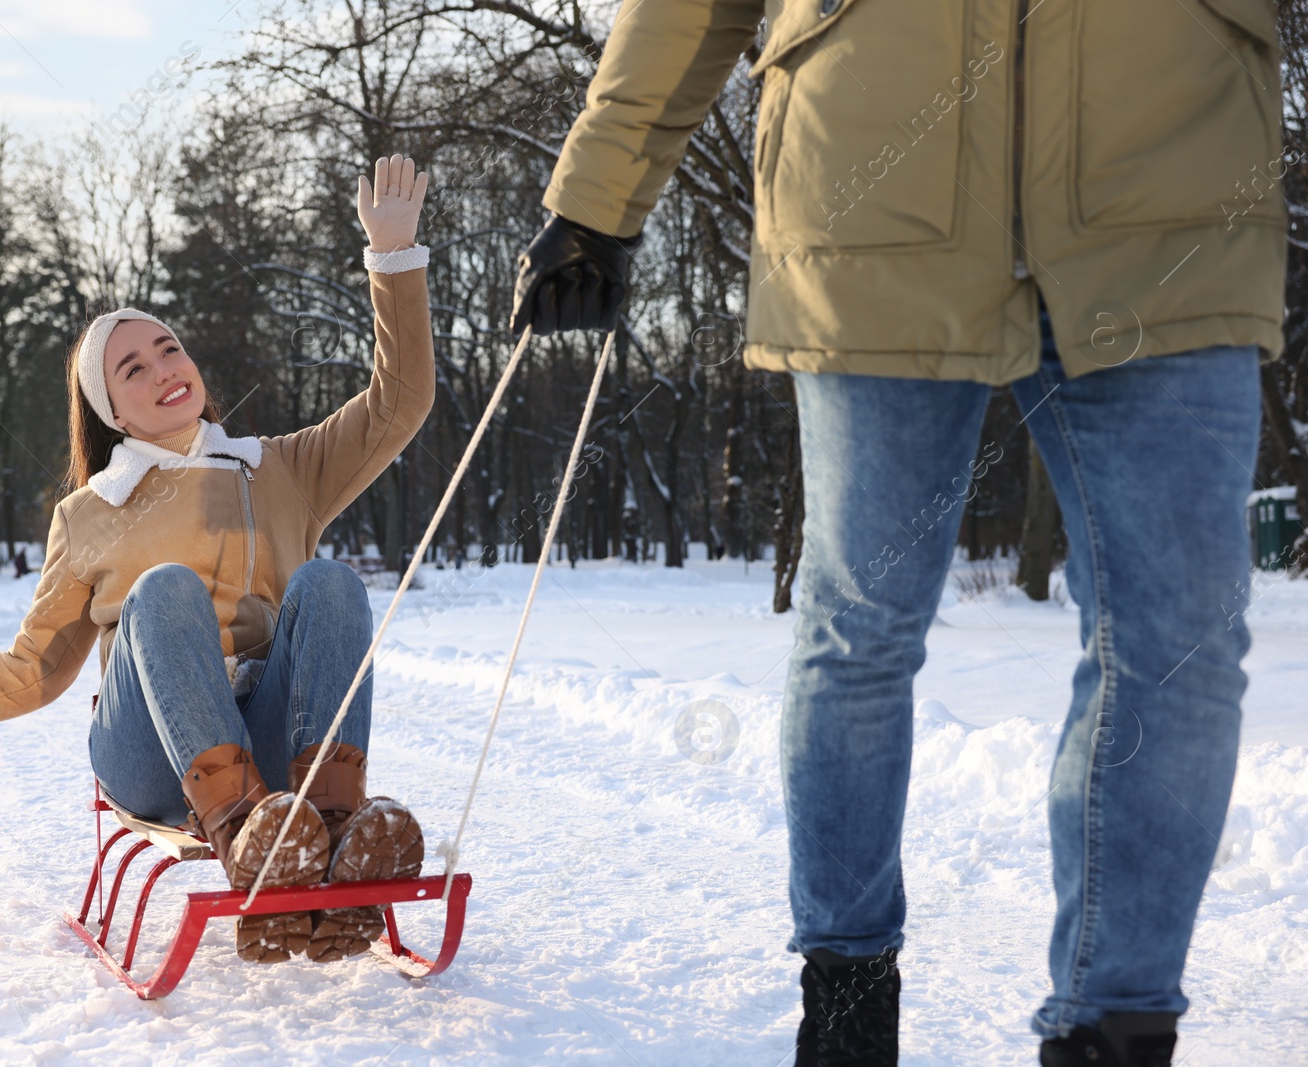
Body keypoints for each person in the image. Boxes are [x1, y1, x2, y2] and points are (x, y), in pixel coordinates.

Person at [511, 4, 1285, 1065]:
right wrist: (597, 198)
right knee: (858, 626)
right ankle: (844, 1011)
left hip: (1174, 187)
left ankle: (1116, 1028)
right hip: (873, 185)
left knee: (1181, 643)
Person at [0, 153, 437, 966]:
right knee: (165, 590)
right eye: (131, 369)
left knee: (332, 582)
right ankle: (251, 841)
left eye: (168, 349)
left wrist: (392, 259)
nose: (162, 370)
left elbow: (400, 401)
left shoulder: (281, 467)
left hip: (278, 753)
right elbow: (31, 671)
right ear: (111, 409)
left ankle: (333, 837)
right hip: (150, 755)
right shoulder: (90, 513)